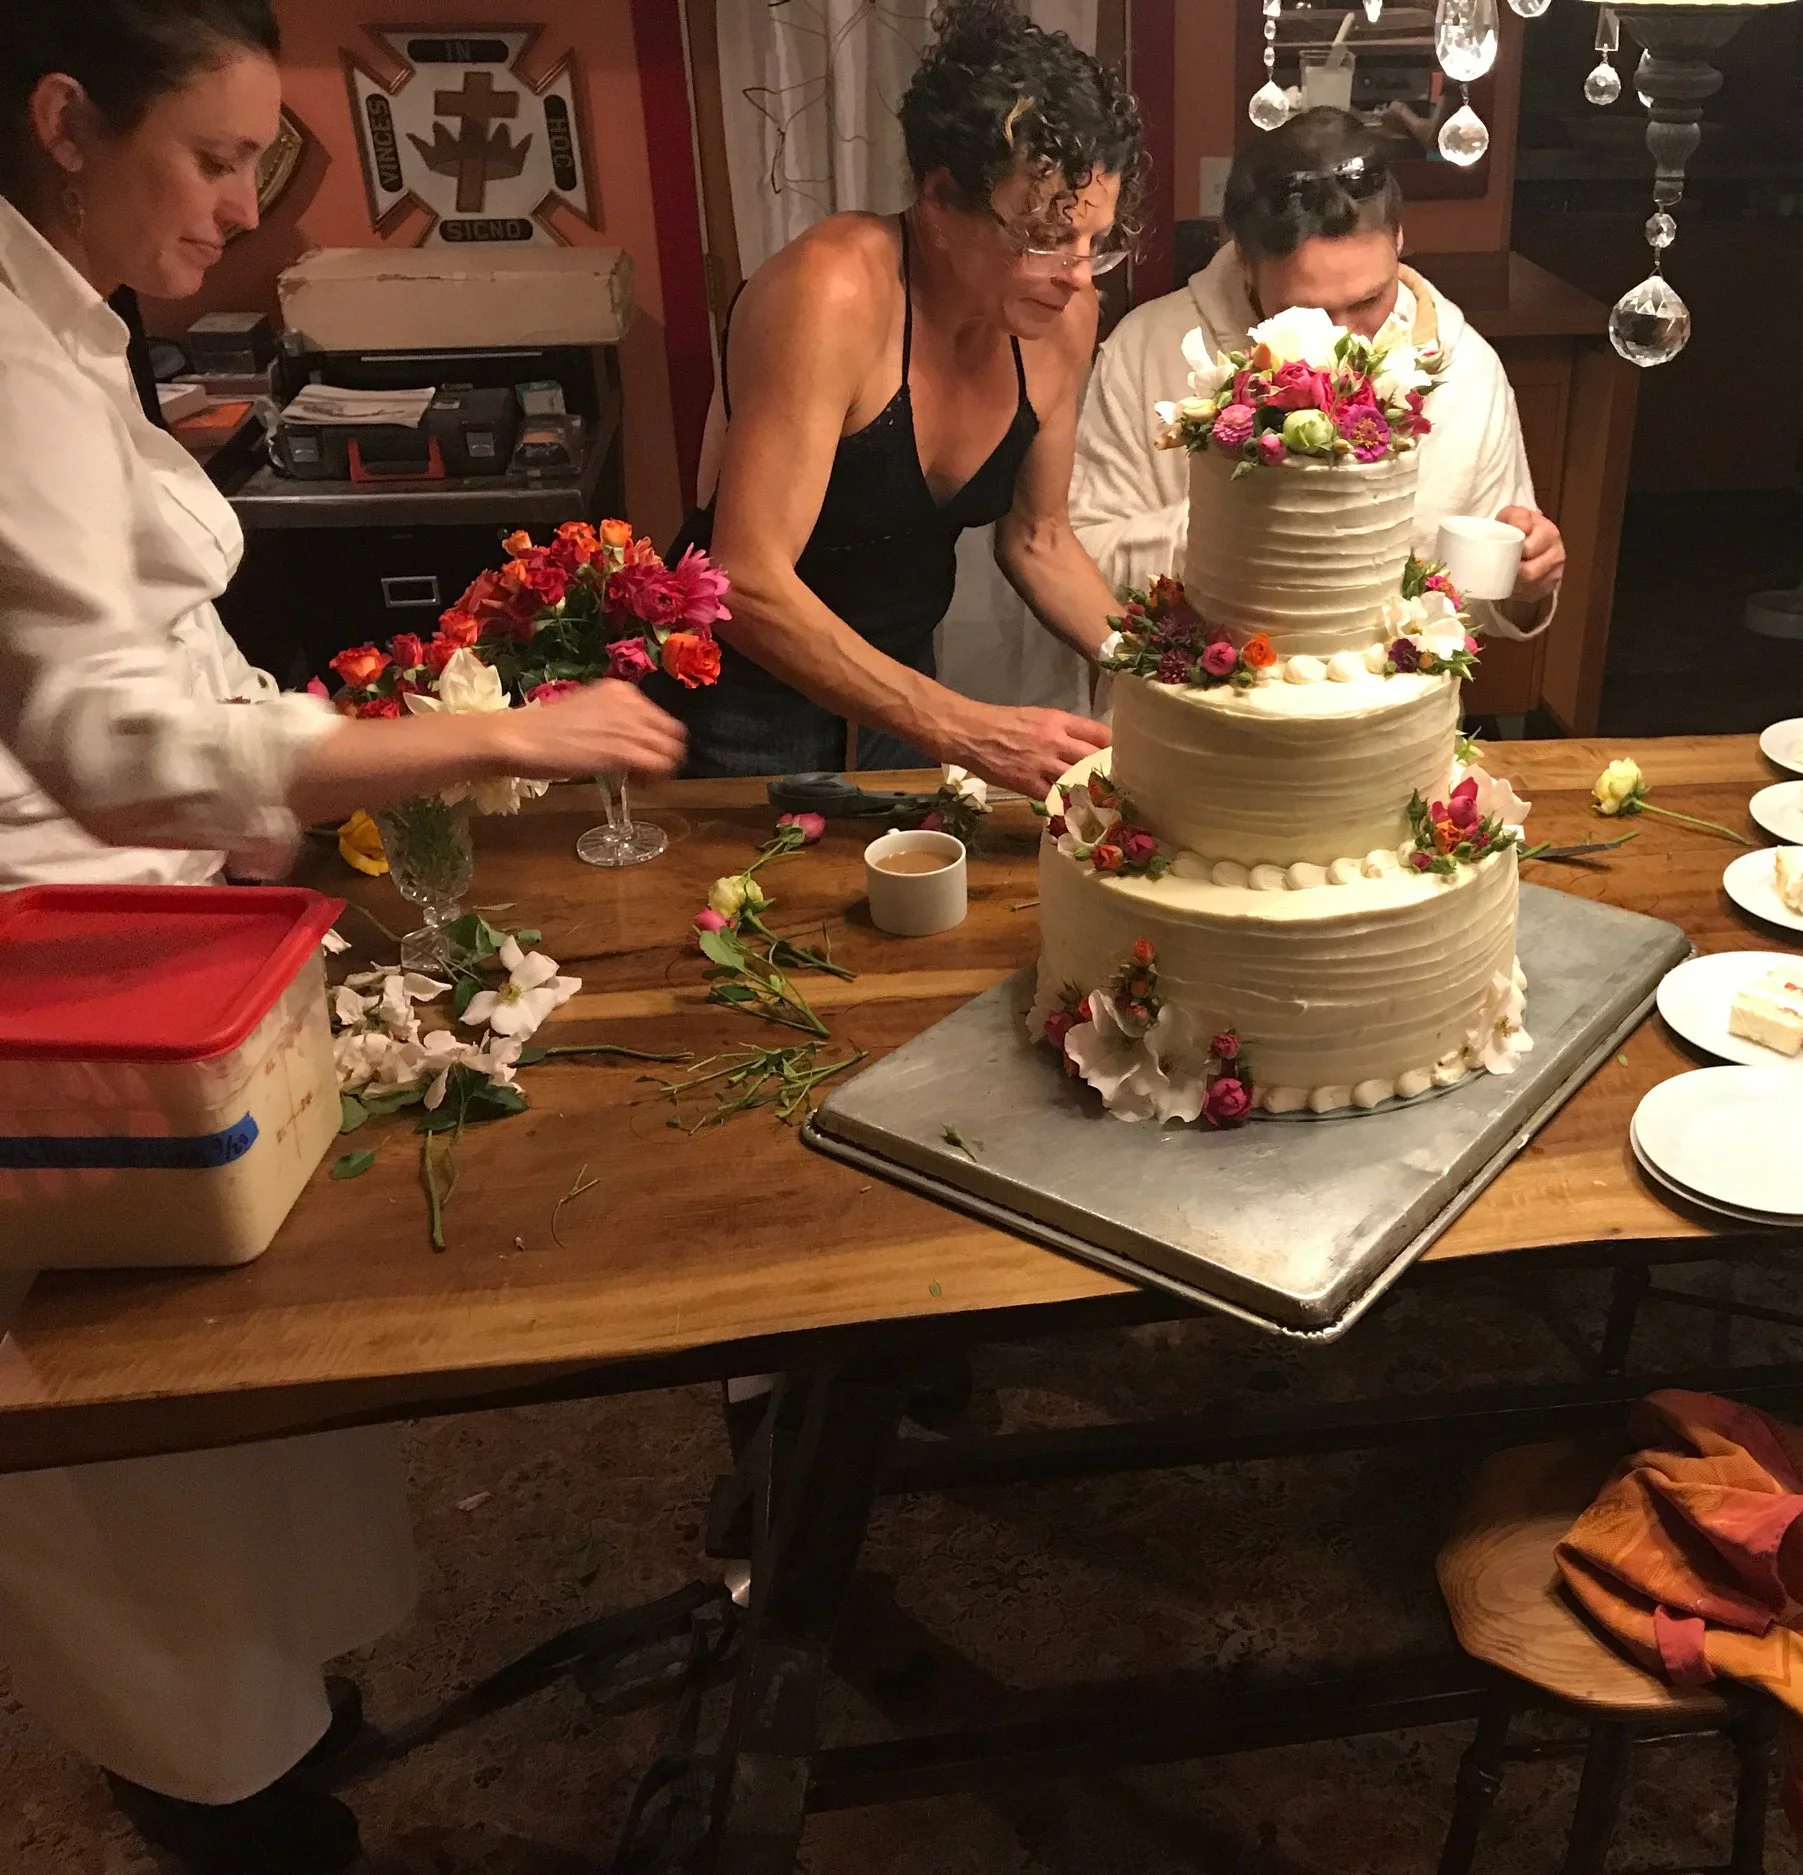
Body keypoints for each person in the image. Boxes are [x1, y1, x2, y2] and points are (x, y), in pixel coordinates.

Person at [0, 7, 685, 1871]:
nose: (246, 204)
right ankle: (215, 1795)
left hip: (172, 928)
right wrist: (492, 731)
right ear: (66, 117)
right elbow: (104, 739)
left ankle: (276, 1722)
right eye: (217, 158)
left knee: (249, 1403)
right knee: (133, 1455)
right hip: (61, 973)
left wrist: (330, 759)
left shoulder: (66, 315)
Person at [673, 0, 1138, 799]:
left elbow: (1039, 540)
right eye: (1042, 239)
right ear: (938, 198)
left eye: (1096, 241)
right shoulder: (832, 290)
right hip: (742, 701)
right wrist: (969, 728)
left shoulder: (1065, 316)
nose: (1077, 274)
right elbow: (745, 579)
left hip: (898, 688)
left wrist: (1172, 673)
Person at [1070, 108, 1566, 641]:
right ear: (1245, 262)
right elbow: (1078, 558)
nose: (1345, 342)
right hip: (1196, 700)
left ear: (1398, 239)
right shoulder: (1147, 349)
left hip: (1378, 710)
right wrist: (1239, 529)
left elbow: (1478, 601)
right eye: (1308, 313)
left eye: (1370, 299)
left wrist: (1525, 587)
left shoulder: (1465, 366)